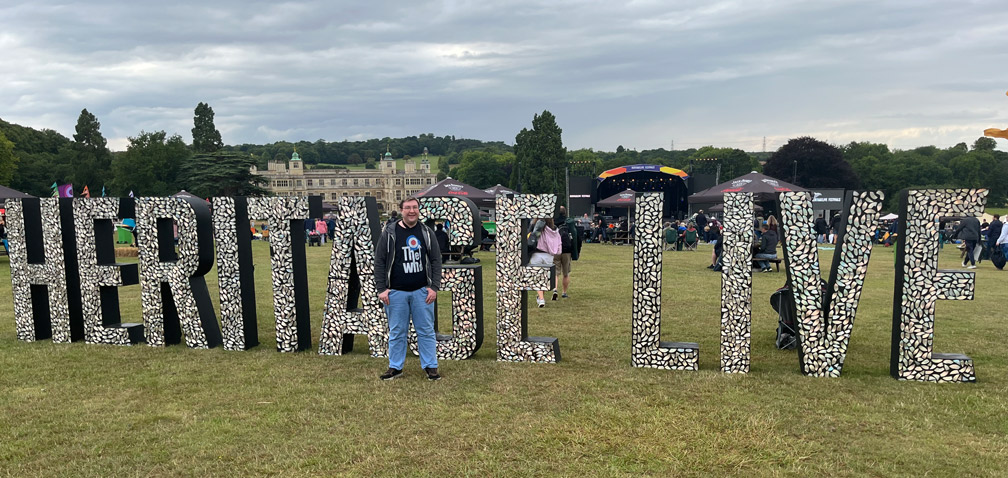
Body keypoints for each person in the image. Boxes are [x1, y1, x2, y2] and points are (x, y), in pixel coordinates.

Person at [374, 197, 443, 381]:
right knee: (397, 331)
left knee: (426, 330)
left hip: (422, 291)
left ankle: (431, 367)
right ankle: (395, 367)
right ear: (401, 210)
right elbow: (379, 261)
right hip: (396, 292)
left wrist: (434, 287)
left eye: (414, 208)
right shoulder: (389, 232)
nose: (411, 211)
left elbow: (436, 260)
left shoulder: (426, 232)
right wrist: (382, 289)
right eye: (407, 208)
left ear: (418, 210)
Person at [528, 217, 559, 307]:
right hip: (548, 254)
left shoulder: (534, 224)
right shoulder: (553, 228)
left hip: (536, 253)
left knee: (537, 277)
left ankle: (541, 299)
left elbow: (529, 235)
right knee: (545, 277)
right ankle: (540, 297)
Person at [551, 206, 579, 300]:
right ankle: (564, 292)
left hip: (555, 249)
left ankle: (555, 289)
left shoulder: (552, 222)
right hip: (566, 249)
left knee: (555, 272)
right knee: (566, 273)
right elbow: (575, 235)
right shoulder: (569, 222)